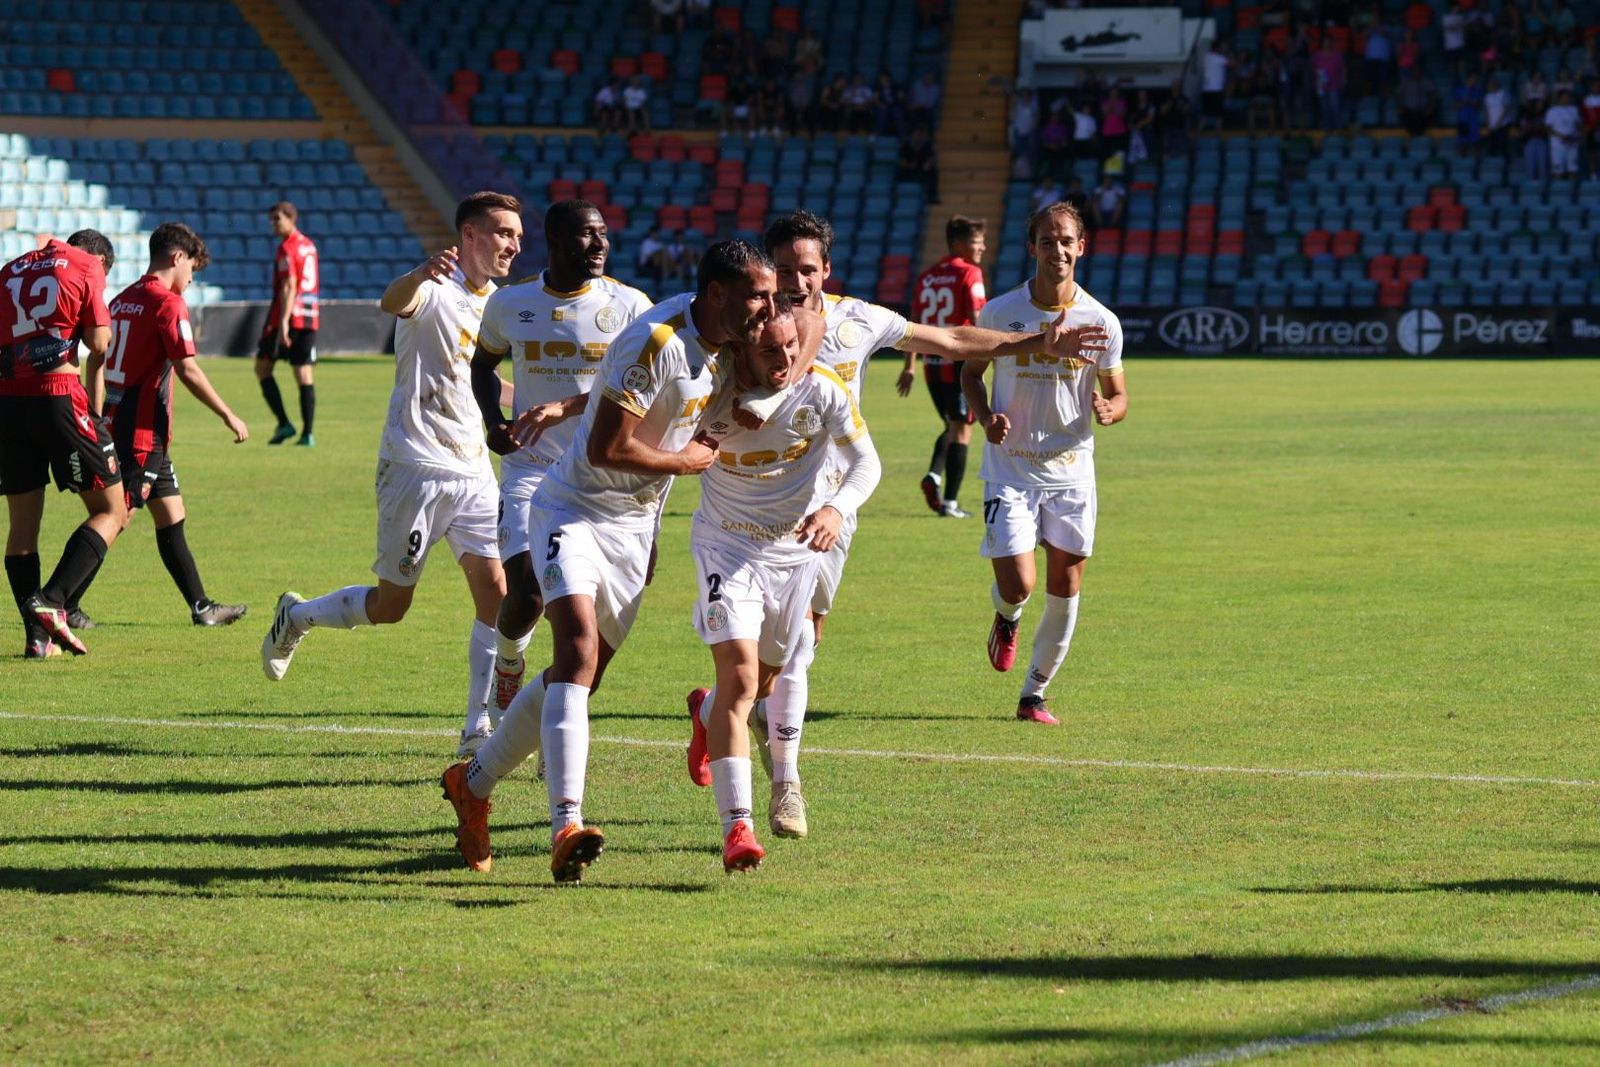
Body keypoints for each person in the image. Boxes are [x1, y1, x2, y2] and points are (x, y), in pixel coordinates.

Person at [680, 209, 1108, 837]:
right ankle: (786, 785)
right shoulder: (740, 330)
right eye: (787, 271)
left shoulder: (860, 320)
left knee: (797, 647)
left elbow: (955, 342)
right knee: (794, 647)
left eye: (809, 269)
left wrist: (1036, 342)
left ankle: (715, 710)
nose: (798, 283)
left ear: (828, 270)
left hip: (832, 508)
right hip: (744, 514)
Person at [443, 239, 774, 882]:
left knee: (579, 675)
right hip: (571, 507)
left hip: (632, 527)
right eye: (756, 295)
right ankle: (565, 823)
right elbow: (604, 448)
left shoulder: (727, 346)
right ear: (716, 294)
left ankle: (472, 784)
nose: (766, 307)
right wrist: (687, 462)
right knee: (577, 652)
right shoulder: (657, 341)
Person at [261, 192, 523, 760]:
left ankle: (476, 724)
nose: (514, 245)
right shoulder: (432, 286)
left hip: (474, 467)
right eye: (504, 233)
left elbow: (482, 385)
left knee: (496, 595)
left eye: (518, 236)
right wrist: (418, 271)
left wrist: (538, 401)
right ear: (470, 235)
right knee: (392, 606)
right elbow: (392, 301)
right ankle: (298, 615)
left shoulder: (500, 307)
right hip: (414, 466)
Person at [686, 299, 880, 871]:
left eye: (793, 348)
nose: (786, 359)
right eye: (771, 350)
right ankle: (737, 828)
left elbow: (866, 463)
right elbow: (683, 447)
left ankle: (706, 714)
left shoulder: (821, 388)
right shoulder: (713, 386)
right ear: (742, 347)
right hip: (726, 546)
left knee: (762, 683)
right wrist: (719, 427)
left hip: (793, 553)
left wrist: (836, 509)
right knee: (743, 676)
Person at [468, 200, 652, 731]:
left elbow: (649, 382)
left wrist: (566, 408)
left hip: (603, 479)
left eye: (604, 237)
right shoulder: (511, 304)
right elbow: (484, 365)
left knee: (579, 610)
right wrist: (492, 421)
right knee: (525, 586)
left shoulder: (630, 305)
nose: (599, 247)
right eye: (586, 237)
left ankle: (551, 714)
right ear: (555, 242)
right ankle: (509, 661)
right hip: (532, 468)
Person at [961, 202, 1125, 726]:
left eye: (1067, 241)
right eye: (1047, 241)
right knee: (1019, 585)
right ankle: (1006, 615)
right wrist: (986, 416)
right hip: (1010, 468)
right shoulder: (1001, 313)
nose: (1058, 250)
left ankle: (1034, 695)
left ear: (1082, 247)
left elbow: (1119, 394)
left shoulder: (1101, 321)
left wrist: (1109, 409)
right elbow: (971, 374)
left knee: (1066, 586)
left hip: (1071, 469)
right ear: (1032, 248)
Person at [84, 223, 250, 627]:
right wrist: (229, 414)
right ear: (177, 258)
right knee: (116, 516)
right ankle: (57, 598)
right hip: (142, 432)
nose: (191, 279)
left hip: (125, 424)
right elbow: (188, 370)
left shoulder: (124, 299)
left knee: (171, 514)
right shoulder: (167, 303)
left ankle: (202, 607)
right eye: (192, 268)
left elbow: (100, 359)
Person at [0, 229, 124, 657]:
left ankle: (36, 641)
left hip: (9, 400)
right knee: (113, 509)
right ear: (99, 260)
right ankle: (51, 601)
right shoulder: (87, 266)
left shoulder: (9, 270)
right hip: (58, 397)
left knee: (21, 529)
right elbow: (98, 343)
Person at [899, 216, 987, 519]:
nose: (983, 248)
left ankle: (934, 476)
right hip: (959, 364)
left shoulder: (927, 277)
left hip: (931, 365)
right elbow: (978, 320)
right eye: (977, 243)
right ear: (960, 245)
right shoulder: (970, 273)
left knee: (953, 426)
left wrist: (909, 366)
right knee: (962, 431)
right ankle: (949, 502)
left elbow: (914, 321)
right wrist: (988, 359)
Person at [254, 201, 319, 447]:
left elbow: (289, 285)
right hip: (310, 314)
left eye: (277, 219)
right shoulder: (309, 246)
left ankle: (284, 423)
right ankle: (308, 434)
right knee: (303, 373)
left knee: (262, 368)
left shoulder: (287, 248)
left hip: (289, 315)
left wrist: (282, 322)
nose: (273, 224)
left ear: (292, 218)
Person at [1546, 90, 1583, 178]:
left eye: (1567, 97)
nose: (1566, 99)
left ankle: (1573, 190)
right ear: (1559, 98)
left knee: (1573, 169)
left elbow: (1578, 125)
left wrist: (1577, 136)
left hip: (1572, 143)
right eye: (1564, 97)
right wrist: (1562, 136)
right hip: (1558, 144)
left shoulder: (1574, 110)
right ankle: (1558, 190)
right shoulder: (1552, 111)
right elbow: (1548, 129)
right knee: (1558, 170)